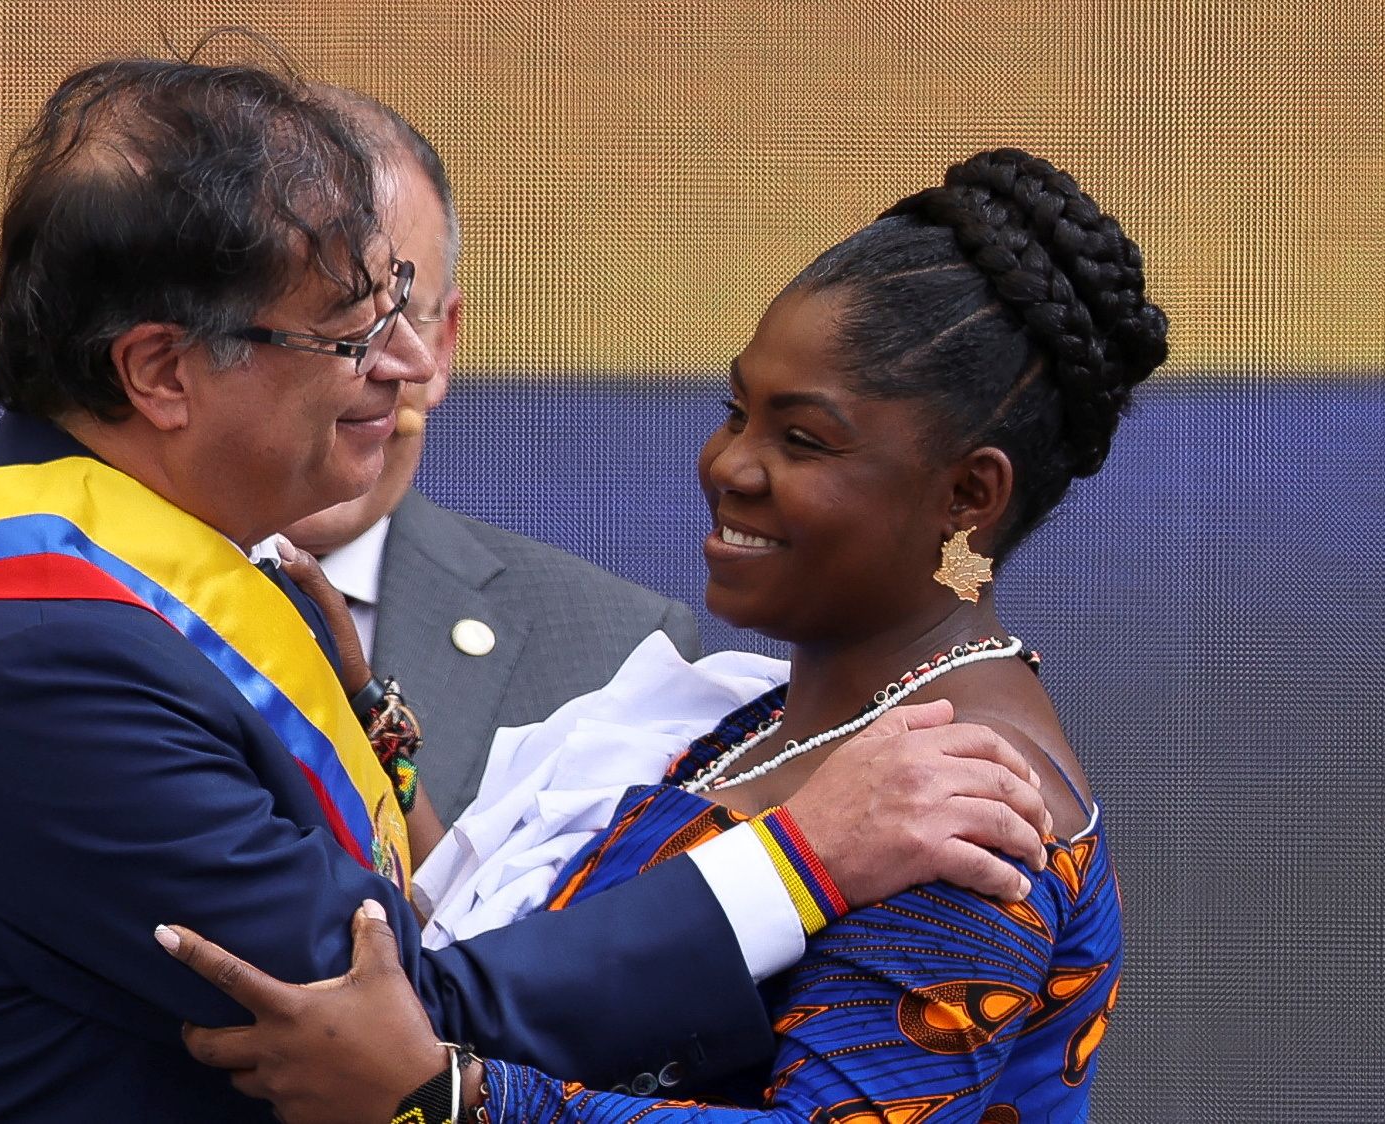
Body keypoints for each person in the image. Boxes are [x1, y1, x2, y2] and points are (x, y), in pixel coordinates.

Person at [0, 56, 1053, 1121]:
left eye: (401, 314)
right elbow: (397, 1025)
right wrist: (798, 862)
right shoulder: (57, 654)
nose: (397, 372)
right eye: (345, 334)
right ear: (160, 370)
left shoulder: (143, 564)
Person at [163, 147, 1168, 1123]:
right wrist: (374, 730)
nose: (728, 463)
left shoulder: (971, 807)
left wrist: (450, 1098)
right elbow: (534, 943)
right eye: (735, 410)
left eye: (801, 438)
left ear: (967, 495)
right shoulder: (760, 712)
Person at [283, 93, 700, 823]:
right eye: (321, 323)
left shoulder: (617, 656)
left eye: (393, 317)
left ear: (439, 346)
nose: (353, 375)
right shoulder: (53, 585)